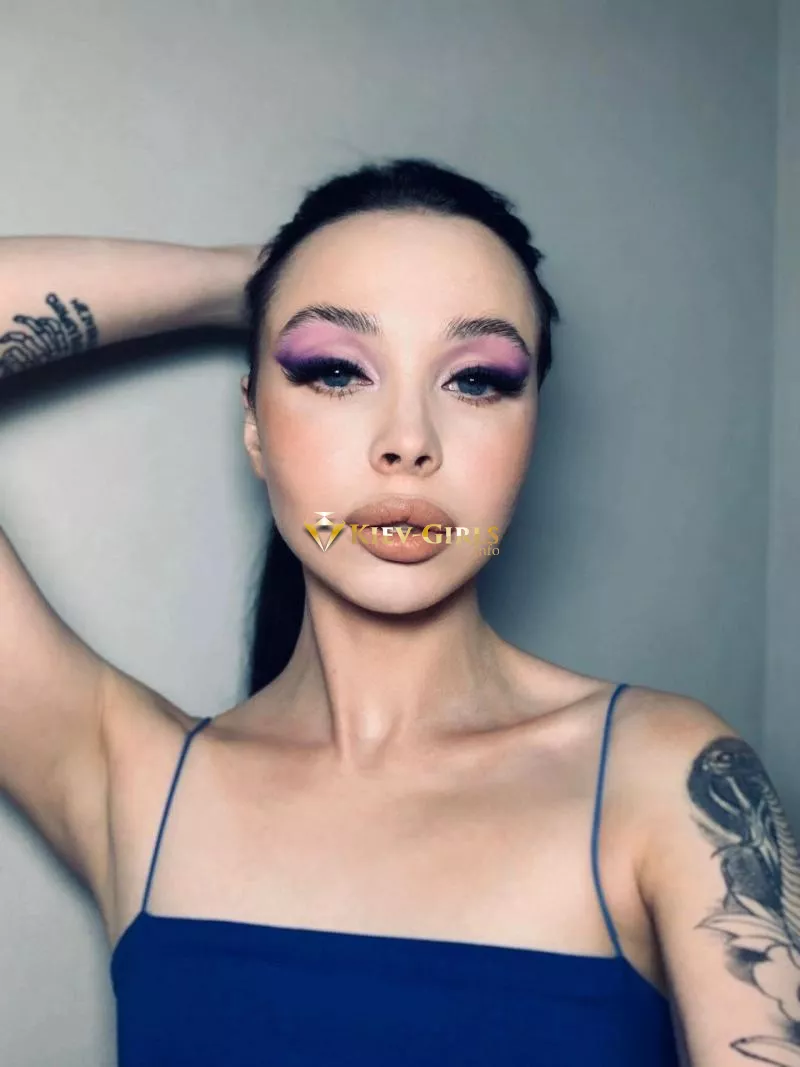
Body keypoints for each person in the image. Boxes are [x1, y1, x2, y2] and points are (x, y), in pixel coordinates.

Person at [1, 158, 798, 1067]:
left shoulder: (667, 778)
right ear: (255, 423)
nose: (409, 442)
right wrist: (255, 282)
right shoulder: (139, 783)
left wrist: (296, 298)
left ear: (531, 428)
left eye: (477, 380)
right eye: (336, 369)